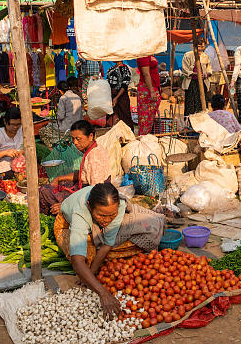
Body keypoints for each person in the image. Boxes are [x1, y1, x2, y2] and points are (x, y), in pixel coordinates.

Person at [57, 182, 166, 317]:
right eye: (102, 216)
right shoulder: (80, 213)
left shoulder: (119, 206)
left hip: (95, 207)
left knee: (147, 225)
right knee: (84, 252)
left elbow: (107, 244)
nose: (107, 221)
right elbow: (77, 260)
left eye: (111, 215)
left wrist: (91, 274)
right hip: (69, 215)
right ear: (90, 207)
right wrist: (103, 293)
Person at [38, 119, 119, 214]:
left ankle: (63, 215)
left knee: (45, 191)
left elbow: (96, 190)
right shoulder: (94, 149)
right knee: (57, 185)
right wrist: (58, 178)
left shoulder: (94, 156)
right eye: (73, 139)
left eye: (78, 139)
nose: (75, 142)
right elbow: (83, 174)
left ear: (91, 136)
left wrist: (67, 205)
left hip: (94, 195)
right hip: (86, 188)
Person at [182, 37, 212, 116]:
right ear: (194, 46)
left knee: (202, 103)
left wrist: (207, 74)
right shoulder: (188, 55)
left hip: (202, 83)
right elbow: (185, 69)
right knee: (190, 104)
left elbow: (209, 69)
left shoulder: (205, 56)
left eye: (202, 47)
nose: (200, 49)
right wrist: (195, 74)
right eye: (198, 46)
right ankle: (189, 123)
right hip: (191, 83)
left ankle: (202, 122)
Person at [136, 54, 161, 135]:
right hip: (147, 88)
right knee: (145, 116)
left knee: (150, 116)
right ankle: (143, 136)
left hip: (153, 87)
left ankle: (146, 136)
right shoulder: (143, 55)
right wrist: (152, 91)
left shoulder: (150, 54)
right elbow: (146, 74)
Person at [106, 63, 134, 130]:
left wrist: (117, 97)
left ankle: (128, 135)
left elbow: (125, 84)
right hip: (112, 96)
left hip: (122, 97)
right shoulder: (111, 69)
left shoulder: (125, 69)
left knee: (125, 117)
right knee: (113, 117)